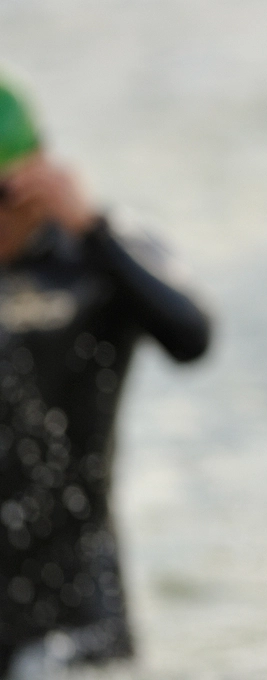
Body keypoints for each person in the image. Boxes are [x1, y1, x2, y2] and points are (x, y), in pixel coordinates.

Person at [0, 78, 212, 677]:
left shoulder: (98, 260)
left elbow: (192, 335)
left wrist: (92, 226)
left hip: (78, 610)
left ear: (38, 179)